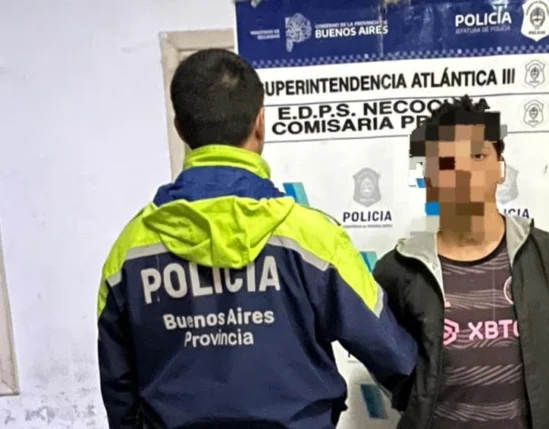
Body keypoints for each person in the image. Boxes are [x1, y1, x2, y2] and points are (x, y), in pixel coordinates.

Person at [96, 49, 417, 429]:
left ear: (180, 128)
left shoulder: (130, 250)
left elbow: (119, 391)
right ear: (260, 123)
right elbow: (395, 357)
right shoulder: (315, 240)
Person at [373, 96, 549, 429]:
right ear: (429, 176)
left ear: (500, 168)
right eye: (447, 161)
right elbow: (390, 365)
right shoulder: (397, 272)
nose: (465, 171)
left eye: (478, 155)